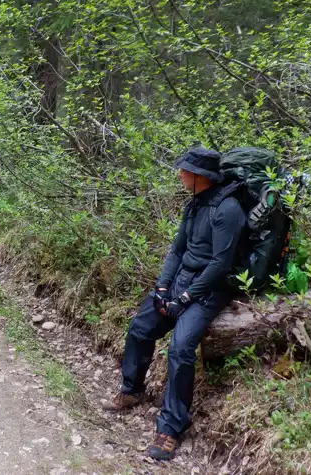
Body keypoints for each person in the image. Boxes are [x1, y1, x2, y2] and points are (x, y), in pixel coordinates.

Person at [102, 148, 247, 461]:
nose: (180, 175)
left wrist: (185, 298)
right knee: (141, 327)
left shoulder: (229, 209)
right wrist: (162, 287)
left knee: (181, 349)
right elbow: (178, 250)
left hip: (209, 290)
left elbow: (220, 265)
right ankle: (132, 390)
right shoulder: (194, 205)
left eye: (184, 171)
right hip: (182, 281)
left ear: (200, 176)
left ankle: (170, 428)